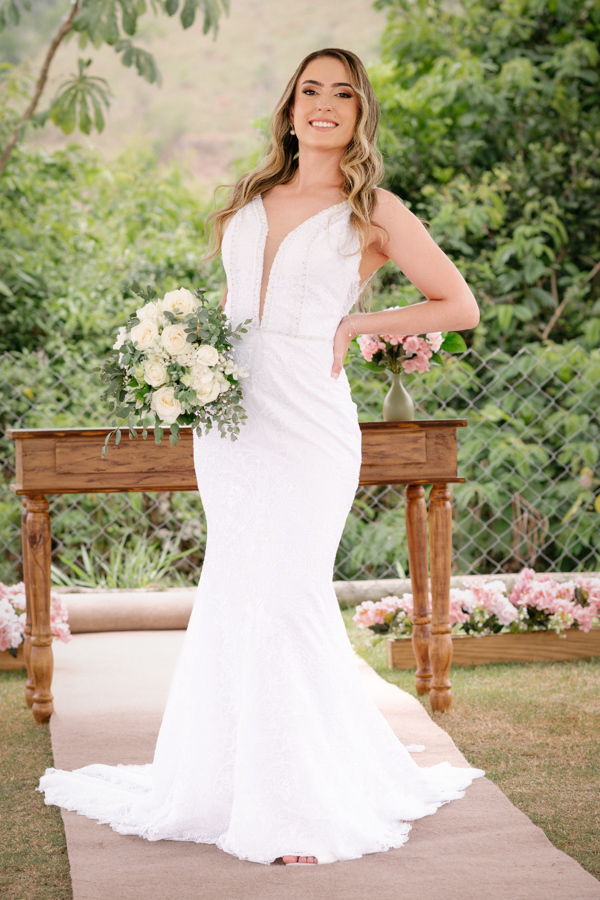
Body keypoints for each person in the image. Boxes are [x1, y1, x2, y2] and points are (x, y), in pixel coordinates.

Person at [38, 48, 484, 867]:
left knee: (286, 595)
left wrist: (356, 326)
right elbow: (240, 304)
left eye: (341, 95)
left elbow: (459, 304)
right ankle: (227, 785)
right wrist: (181, 350)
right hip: (233, 426)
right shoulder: (250, 196)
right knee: (240, 591)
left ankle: (296, 809)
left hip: (312, 426)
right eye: (309, 91)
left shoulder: (374, 209)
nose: (323, 105)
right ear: (288, 110)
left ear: (358, 116)